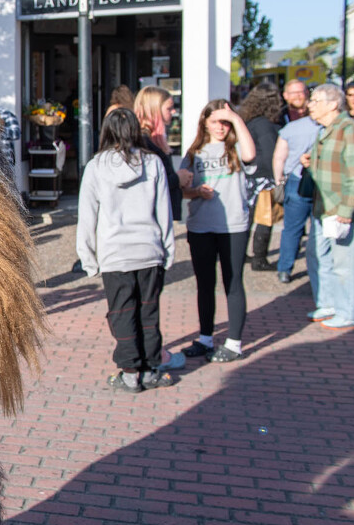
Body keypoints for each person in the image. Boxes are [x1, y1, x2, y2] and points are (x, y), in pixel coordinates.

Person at [76, 108, 175, 393]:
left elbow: (87, 216)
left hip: (114, 253)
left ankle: (130, 371)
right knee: (148, 311)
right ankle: (151, 367)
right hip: (149, 249)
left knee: (121, 312)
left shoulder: (96, 166)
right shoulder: (153, 163)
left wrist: (88, 258)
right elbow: (163, 210)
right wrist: (168, 248)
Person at [177, 100, 257, 362]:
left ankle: (234, 343)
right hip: (201, 226)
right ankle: (206, 338)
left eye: (225, 122)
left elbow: (250, 156)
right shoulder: (194, 153)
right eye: (215, 122)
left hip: (233, 226)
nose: (221, 127)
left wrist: (236, 118)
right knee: (204, 284)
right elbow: (183, 190)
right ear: (205, 123)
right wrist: (197, 192)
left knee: (233, 282)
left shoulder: (236, 148)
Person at [301, 83, 354, 331]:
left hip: (341, 210)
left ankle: (349, 311)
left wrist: (346, 210)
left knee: (344, 263)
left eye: (316, 100)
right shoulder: (326, 130)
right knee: (320, 258)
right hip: (324, 208)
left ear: (332, 104)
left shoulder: (348, 129)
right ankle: (329, 304)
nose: (310, 105)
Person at [237, 82, 283, 271]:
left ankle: (241, 255)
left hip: (252, 176)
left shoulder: (251, 121)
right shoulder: (265, 125)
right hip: (264, 178)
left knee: (248, 219)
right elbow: (271, 152)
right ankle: (260, 258)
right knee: (265, 219)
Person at [271, 113, 322, 283]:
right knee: (319, 230)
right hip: (319, 183)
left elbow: (279, 157)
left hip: (296, 180)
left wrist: (279, 182)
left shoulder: (293, 127)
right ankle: (318, 269)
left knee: (292, 229)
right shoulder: (331, 129)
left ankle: (284, 269)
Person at [134, 85, 182, 221]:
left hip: (163, 215)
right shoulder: (143, 142)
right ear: (154, 110)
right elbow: (148, 183)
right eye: (169, 108)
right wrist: (178, 178)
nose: (173, 112)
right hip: (152, 218)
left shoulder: (154, 140)